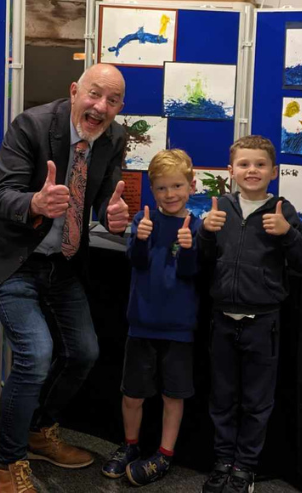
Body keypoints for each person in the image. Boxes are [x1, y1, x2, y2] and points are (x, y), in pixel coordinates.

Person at [0, 63, 132, 493]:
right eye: (94, 94)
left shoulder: (115, 137)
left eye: (113, 100)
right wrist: (36, 201)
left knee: (85, 352)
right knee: (36, 355)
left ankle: (38, 431)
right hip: (12, 256)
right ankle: (7, 463)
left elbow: (105, 194)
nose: (101, 107)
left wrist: (112, 213)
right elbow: (3, 194)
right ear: (74, 90)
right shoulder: (31, 125)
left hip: (62, 261)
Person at [197, 135, 302, 493]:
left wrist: (288, 234)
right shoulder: (220, 208)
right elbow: (202, 261)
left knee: (256, 401)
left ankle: (245, 467)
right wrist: (204, 232)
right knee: (222, 397)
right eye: (244, 164)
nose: (252, 171)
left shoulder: (282, 210)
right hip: (221, 320)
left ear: (274, 171)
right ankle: (222, 461)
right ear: (230, 171)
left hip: (263, 324)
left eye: (260, 165)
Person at [101, 149, 202, 486]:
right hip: (141, 324)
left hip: (179, 330)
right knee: (133, 393)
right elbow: (137, 262)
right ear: (152, 189)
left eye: (176, 186)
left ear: (191, 186)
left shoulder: (197, 227)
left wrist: (188, 247)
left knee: (173, 396)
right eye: (161, 188)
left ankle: (165, 454)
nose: (169, 194)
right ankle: (130, 446)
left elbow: (191, 273)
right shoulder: (143, 221)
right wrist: (140, 239)